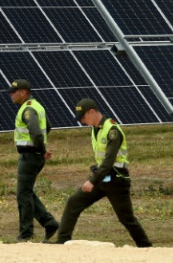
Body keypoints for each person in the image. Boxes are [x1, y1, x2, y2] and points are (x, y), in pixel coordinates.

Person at [48, 98, 152, 247]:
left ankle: (146, 247)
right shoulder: (95, 129)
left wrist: (92, 180)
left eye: (83, 117)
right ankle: (62, 241)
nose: (82, 121)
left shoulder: (112, 130)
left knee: (126, 218)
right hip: (103, 179)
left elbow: (109, 161)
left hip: (116, 181)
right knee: (74, 202)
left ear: (92, 112)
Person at [8, 79, 59, 242]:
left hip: (30, 156)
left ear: (23, 92)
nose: (11, 95)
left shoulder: (28, 109)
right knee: (27, 192)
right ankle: (49, 223)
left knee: (23, 194)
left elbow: (37, 133)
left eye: (14, 92)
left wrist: (41, 149)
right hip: (33, 155)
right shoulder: (36, 105)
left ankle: (26, 233)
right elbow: (47, 127)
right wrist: (41, 148)